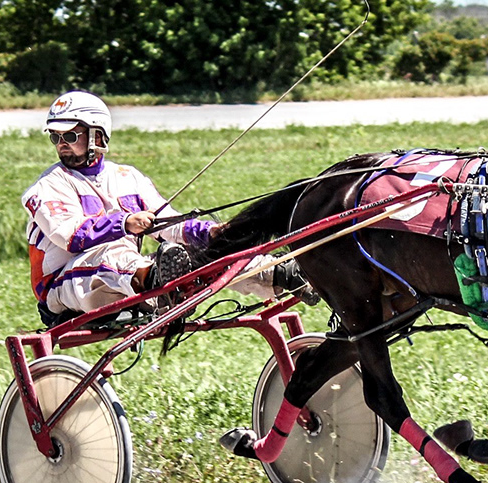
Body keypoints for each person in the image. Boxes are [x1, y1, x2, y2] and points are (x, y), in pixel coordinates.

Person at [21, 90, 296, 325]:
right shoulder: (47, 186)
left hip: (126, 277)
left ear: (98, 135)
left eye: (70, 136)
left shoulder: (128, 177)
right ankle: (164, 287)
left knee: (202, 253)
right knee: (112, 253)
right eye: (55, 137)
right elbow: (69, 236)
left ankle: (282, 273)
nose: (61, 145)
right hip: (62, 288)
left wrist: (211, 233)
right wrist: (125, 223)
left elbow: (169, 223)